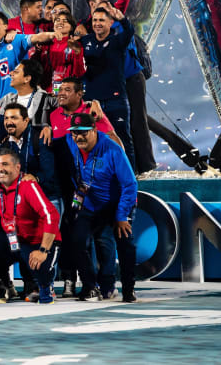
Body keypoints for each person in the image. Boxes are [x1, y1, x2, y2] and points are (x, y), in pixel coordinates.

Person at [0, 148, 60, 305]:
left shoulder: (28, 185)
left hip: (39, 244)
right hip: (17, 242)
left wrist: (43, 250)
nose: (0, 169)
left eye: (5, 164)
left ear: (17, 167)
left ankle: (46, 287)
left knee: (42, 285)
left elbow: (51, 215)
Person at [66, 112, 139, 303]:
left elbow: (130, 185)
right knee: (77, 240)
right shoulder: (71, 142)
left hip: (118, 204)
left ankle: (129, 289)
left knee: (124, 242)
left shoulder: (113, 150)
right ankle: (90, 287)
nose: (79, 137)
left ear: (94, 130)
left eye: (83, 132)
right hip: (90, 204)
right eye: (75, 132)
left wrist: (121, 216)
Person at [80, 2, 136, 171]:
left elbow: (130, 31)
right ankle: (99, 176)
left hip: (115, 100)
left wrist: (123, 19)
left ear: (110, 22)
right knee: (92, 141)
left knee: (122, 138)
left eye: (101, 20)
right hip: (91, 102)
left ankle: (130, 176)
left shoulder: (117, 41)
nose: (97, 23)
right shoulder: (85, 41)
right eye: (95, 20)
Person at [0, 12, 55, 100]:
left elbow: (37, 37)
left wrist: (53, 34)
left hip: (22, 98)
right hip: (2, 100)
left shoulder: (15, 40)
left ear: (5, 26)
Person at [0, 60, 56, 128]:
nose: (10, 73)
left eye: (16, 72)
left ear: (27, 79)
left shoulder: (45, 99)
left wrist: (48, 128)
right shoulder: (7, 99)